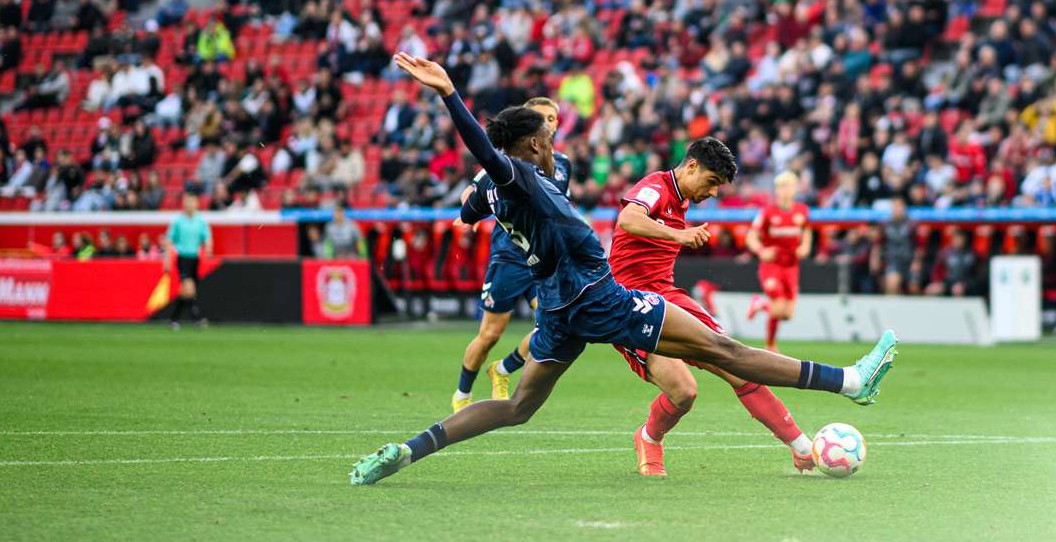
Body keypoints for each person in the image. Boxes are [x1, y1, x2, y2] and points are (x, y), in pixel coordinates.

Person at [350, 52, 896, 487]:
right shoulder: (515, 174)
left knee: (517, 407)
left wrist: (471, 203)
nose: (553, 138)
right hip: (601, 297)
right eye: (547, 132)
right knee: (725, 352)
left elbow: (473, 203)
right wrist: (450, 96)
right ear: (535, 142)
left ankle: (408, 450)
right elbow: (491, 157)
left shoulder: (494, 188)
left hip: (560, 309)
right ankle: (850, 382)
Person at [606, 143, 817, 477]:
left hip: (669, 297)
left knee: (737, 364)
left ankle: (803, 448)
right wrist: (678, 234)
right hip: (630, 305)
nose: (715, 191)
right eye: (712, 180)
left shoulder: (683, 199)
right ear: (691, 166)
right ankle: (649, 437)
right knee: (684, 391)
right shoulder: (655, 187)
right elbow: (629, 219)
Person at [450, 96, 568, 412]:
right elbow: (475, 189)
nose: (548, 123)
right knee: (489, 334)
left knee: (553, 328)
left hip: (542, 262)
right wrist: (468, 212)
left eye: (553, 118)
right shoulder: (506, 164)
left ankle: (503, 369)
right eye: (542, 117)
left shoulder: (563, 164)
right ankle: (462, 395)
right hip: (509, 259)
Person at [744, 170, 812, 352]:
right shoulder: (767, 212)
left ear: (796, 189)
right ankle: (771, 345)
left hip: (791, 266)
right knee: (778, 306)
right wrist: (761, 250)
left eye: (789, 186)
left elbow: (806, 231)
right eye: (781, 187)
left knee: (787, 314)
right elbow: (751, 236)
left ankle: (760, 304)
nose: (785, 190)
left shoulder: (802, 211)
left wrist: (805, 246)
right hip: (771, 265)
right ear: (776, 190)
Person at [163, 192, 212, 328]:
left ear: (197, 204)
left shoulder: (200, 221)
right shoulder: (178, 221)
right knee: (189, 288)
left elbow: (207, 237)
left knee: (187, 291)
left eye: (192, 202)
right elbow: (168, 240)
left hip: (195, 259)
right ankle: (197, 319)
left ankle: (174, 319)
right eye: (187, 202)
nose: (189, 205)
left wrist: (208, 247)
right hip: (183, 258)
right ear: (184, 204)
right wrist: (166, 259)